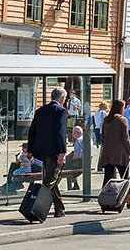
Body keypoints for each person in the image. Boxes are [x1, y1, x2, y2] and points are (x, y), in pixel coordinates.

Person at [28, 87, 69, 219]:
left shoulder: (40, 110)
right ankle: (35, 206)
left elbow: (32, 131)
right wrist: (62, 152)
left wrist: (30, 149)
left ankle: (59, 208)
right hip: (54, 152)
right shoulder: (61, 111)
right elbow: (60, 133)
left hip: (41, 151)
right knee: (50, 180)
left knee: (50, 178)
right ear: (62, 98)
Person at [100, 99, 130, 208]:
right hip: (120, 154)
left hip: (107, 153)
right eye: (123, 107)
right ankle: (128, 200)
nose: (124, 109)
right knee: (125, 177)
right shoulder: (122, 120)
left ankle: (104, 201)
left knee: (107, 178)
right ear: (120, 108)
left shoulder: (106, 120)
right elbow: (126, 139)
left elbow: (103, 136)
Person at [66, 126, 84, 190]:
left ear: (77, 133)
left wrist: (68, 158)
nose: (72, 135)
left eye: (73, 133)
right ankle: (75, 184)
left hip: (79, 164)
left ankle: (71, 186)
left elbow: (78, 155)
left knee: (66, 166)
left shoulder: (78, 141)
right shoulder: (84, 139)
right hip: (84, 163)